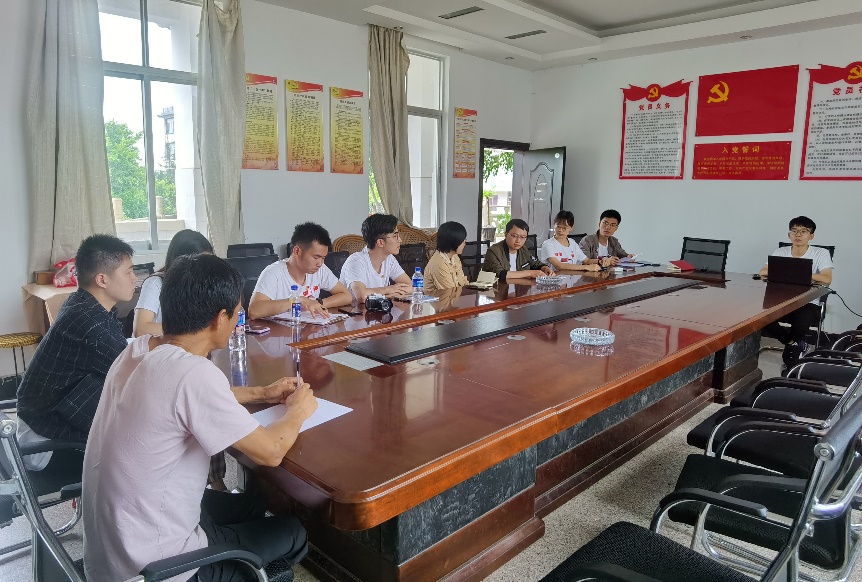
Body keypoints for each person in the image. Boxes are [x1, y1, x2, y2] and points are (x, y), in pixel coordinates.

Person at [83, 253, 317, 582]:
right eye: (237, 314)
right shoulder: (193, 374)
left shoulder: (137, 350)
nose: (237, 322)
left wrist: (262, 393)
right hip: (159, 569)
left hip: (115, 547)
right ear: (220, 319)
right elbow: (271, 450)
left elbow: (183, 399)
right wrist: (299, 410)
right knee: (294, 533)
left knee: (253, 505)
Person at [16, 234, 137, 472]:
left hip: (48, 418)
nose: (134, 278)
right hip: (47, 443)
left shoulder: (82, 302)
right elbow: (134, 372)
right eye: (129, 272)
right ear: (102, 279)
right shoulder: (90, 324)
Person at [758, 216, 833, 365]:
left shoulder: (821, 253)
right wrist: (799, 273)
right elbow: (762, 272)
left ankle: (791, 345)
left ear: (811, 236)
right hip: (780, 300)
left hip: (808, 301)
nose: (798, 235)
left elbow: (826, 279)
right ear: (789, 235)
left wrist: (797, 273)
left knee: (802, 321)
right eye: (794, 231)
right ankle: (793, 343)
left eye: (803, 231)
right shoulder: (780, 251)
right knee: (760, 318)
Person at [249, 222, 352, 320]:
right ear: (297, 251)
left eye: (323, 258)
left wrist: (317, 303)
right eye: (316, 257)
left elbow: (346, 296)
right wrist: (297, 301)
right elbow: (254, 311)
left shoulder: (320, 270)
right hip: (280, 331)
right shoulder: (273, 273)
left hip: (309, 328)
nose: (320, 263)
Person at [134, 229, 214, 337]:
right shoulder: (155, 283)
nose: (205, 269)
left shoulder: (202, 283)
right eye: (200, 263)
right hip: (159, 346)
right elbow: (141, 329)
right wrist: (189, 331)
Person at [339, 213, 413, 303]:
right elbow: (362, 296)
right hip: (353, 310)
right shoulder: (356, 261)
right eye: (395, 236)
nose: (400, 240)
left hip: (378, 309)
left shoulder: (389, 259)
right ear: (380, 242)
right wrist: (388, 289)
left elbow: (411, 287)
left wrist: (388, 295)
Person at [481, 218, 552, 282]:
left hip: (519, 289)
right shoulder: (494, 251)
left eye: (523, 237)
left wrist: (545, 268)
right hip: (498, 290)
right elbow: (500, 274)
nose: (518, 241)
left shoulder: (523, 249)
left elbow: (536, 264)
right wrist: (530, 273)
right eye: (514, 236)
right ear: (506, 235)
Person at [424, 221, 469, 293]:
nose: (464, 243)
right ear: (453, 241)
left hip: (456, 297)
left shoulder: (455, 257)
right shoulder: (439, 264)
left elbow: (463, 281)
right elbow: (450, 292)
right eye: (462, 241)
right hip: (442, 299)